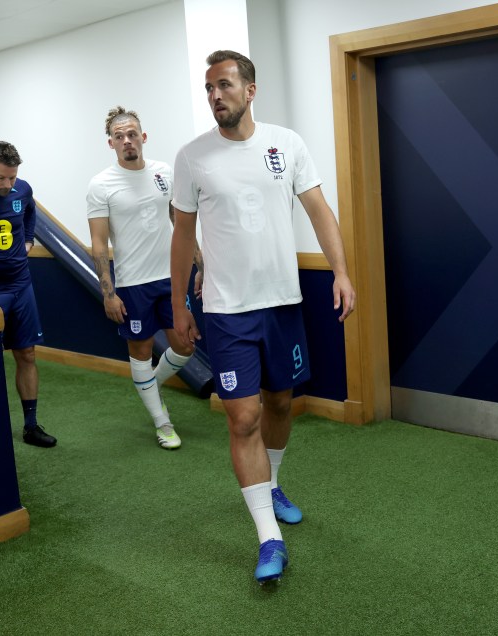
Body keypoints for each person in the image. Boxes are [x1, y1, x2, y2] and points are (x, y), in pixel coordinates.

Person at [170, 51, 356, 583]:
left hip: (282, 303)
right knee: (243, 416)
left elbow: (319, 210)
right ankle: (267, 539)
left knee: (279, 402)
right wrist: (180, 303)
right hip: (227, 311)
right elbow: (183, 233)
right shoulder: (191, 157)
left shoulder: (287, 143)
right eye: (208, 88)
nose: (215, 96)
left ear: (250, 91)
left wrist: (341, 273)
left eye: (224, 85)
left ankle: (271, 483)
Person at [87, 107, 199, 449]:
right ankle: (162, 421)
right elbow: (98, 243)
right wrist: (108, 293)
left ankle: (149, 385)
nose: (127, 140)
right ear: (111, 143)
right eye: (119, 136)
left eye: (132, 133)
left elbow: (181, 224)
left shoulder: (164, 173)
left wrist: (200, 264)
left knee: (186, 345)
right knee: (141, 351)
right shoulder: (100, 185)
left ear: (143, 137)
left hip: (172, 277)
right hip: (133, 285)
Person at [0, 141, 57, 448]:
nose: (8, 184)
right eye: (1, 177)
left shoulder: (22, 189)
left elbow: (30, 212)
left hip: (21, 284)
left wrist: (27, 240)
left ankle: (30, 425)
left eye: (12, 177)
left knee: (27, 353)